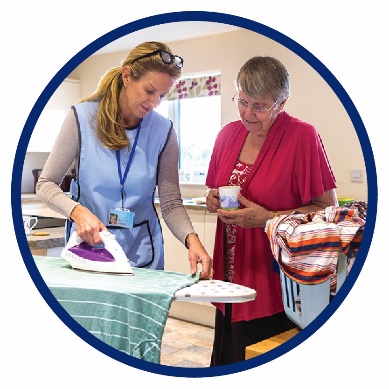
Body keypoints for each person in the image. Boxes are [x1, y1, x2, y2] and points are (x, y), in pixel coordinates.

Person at [36, 41, 212, 279]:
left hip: (144, 255)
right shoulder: (81, 119)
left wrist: (192, 240)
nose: (155, 103)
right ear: (127, 76)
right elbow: (45, 184)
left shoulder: (164, 131)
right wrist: (78, 212)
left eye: (163, 95)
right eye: (149, 91)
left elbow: (170, 202)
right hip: (90, 249)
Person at [205, 56, 338, 365]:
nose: (248, 114)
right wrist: (212, 200)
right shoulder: (227, 135)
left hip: (275, 279)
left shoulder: (302, 137)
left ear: (282, 102)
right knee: (226, 360)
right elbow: (215, 190)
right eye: (242, 101)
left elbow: (326, 209)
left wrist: (267, 219)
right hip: (230, 276)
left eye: (259, 106)